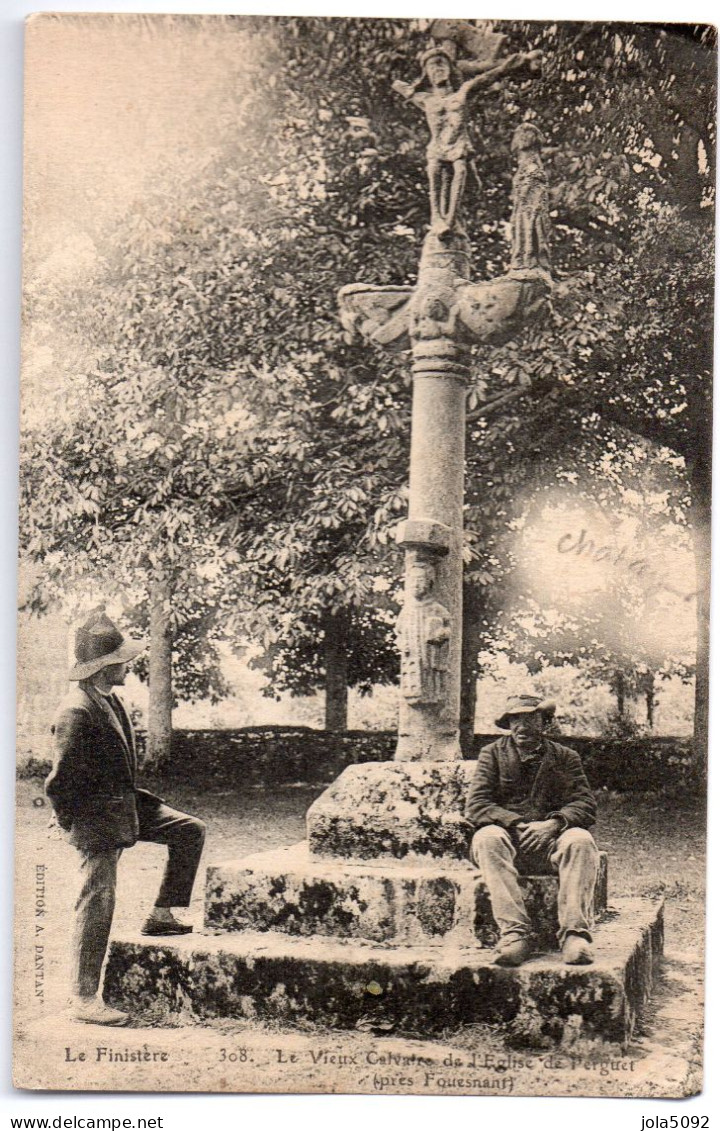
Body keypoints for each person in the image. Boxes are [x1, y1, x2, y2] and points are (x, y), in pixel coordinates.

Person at [46, 610, 206, 1026]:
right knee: (97, 900)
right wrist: (75, 826)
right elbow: (60, 783)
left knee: (189, 830)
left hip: (128, 806)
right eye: (122, 659)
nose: (129, 664)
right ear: (104, 666)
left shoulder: (108, 699)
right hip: (97, 820)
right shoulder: (75, 711)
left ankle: (162, 914)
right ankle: (83, 998)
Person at [465, 693, 599, 967]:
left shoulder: (565, 757)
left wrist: (553, 824)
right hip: (508, 842)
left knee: (581, 840)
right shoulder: (492, 754)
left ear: (545, 723)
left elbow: (585, 803)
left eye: (530, 719)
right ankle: (515, 935)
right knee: (487, 837)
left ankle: (574, 935)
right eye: (515, 720)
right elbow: (477, 805)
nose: (522, 727)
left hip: (551, 841)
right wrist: (516, 823)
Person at [393, 44, 542, 238]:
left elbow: (488, 77)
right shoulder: (426, 99)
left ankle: (450, 220)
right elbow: (401, 87)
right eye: (432, 67)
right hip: (438, 145)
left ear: (450, 69)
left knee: (460, 169)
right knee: (434, 171)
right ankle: (437, 217)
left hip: (458, 143)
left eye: (442, 65)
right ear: (426, 74)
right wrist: (399, 84)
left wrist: (516, 63)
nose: (437, 70)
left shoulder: (462, 92)